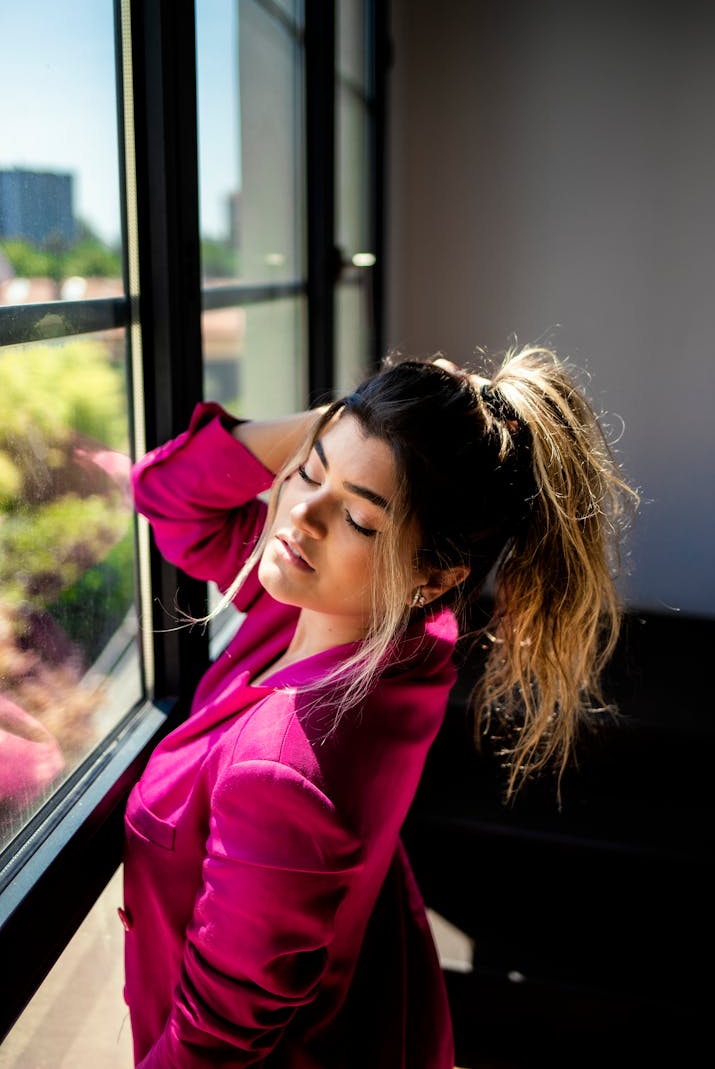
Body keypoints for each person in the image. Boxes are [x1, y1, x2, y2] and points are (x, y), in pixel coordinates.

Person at [121, 344, 638, 1068]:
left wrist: (340, 439)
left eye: (360, 520)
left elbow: (212, 1048)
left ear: (434, 576)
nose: (300, 514)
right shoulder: (391, 632)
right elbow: (165, 491)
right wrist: (351, 423)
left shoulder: (282, 769)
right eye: (306, 470)